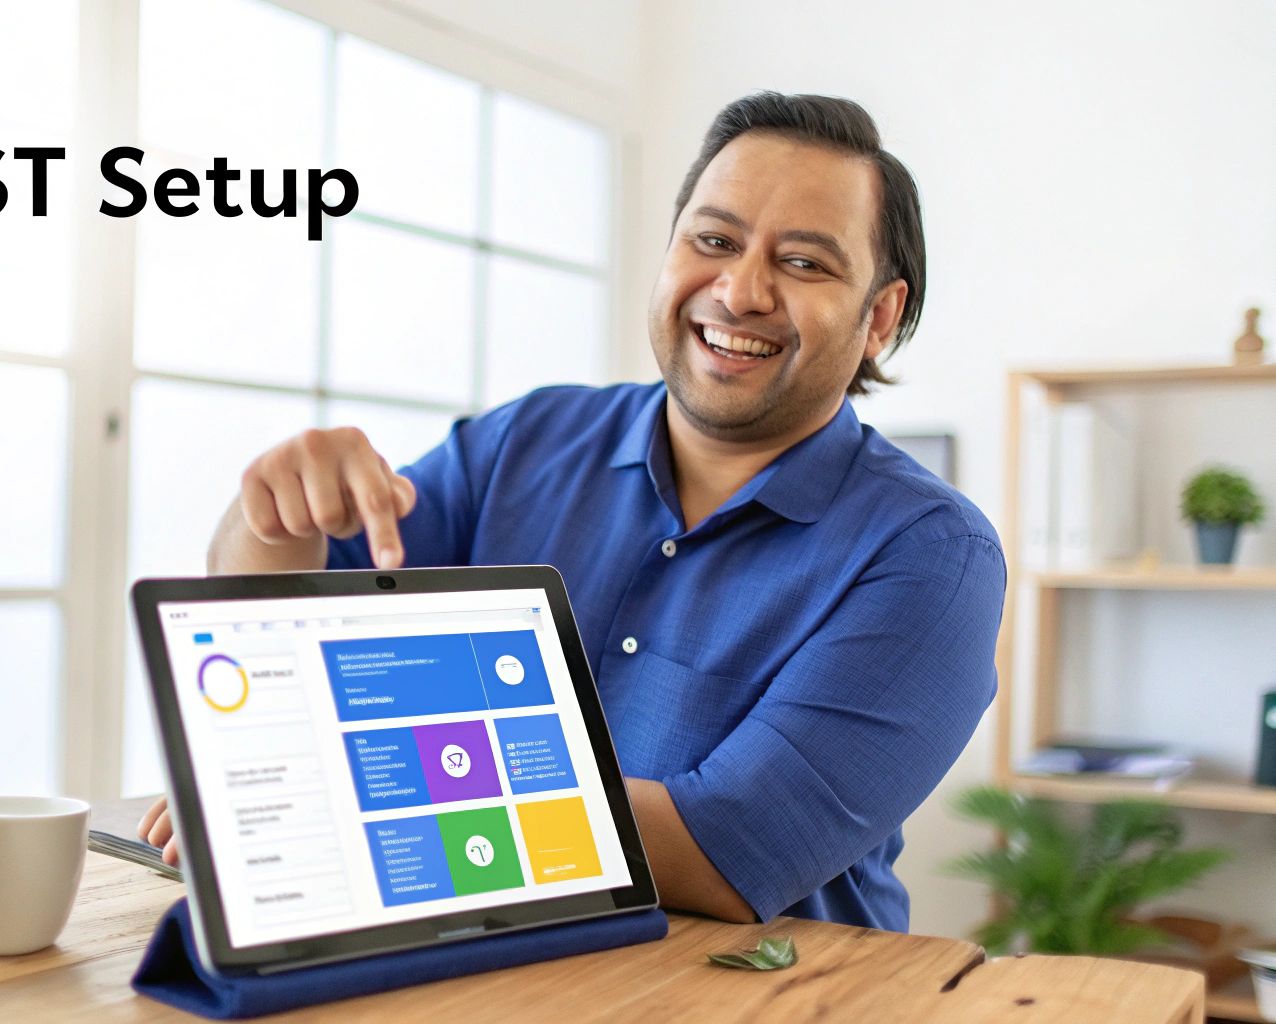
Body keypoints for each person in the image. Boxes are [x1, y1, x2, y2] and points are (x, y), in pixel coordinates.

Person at [137, 91, 1004, 931]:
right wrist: (276, 517)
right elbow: (279, 623)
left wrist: (343, 789)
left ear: (880, 315)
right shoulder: (529, 440)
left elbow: (722, 850)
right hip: (474, 966)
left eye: (804, 262)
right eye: (714, 239)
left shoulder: (932, 556)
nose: (740, 291)